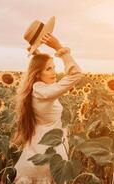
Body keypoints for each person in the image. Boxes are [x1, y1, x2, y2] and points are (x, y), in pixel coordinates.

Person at [11, 17, 83, 184]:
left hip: (33, 154)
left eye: (54, 68)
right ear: (38, 74)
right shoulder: (45, 92)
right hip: (48, 158)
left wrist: (38, 54)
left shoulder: (34, 88)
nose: (54, 73)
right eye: (49, 69)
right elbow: (76, 75)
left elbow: (39, 71)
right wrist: (59, 48)